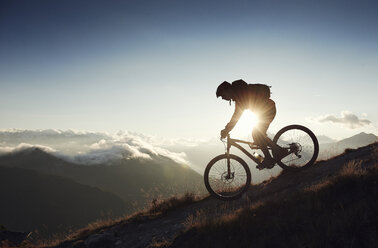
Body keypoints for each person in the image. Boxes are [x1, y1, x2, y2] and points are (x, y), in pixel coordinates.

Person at [216, 79, 284, 169]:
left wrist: (226, 130)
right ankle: (276, 150)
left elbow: (236, 117)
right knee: (258, 136)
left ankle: (270, 157)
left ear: (228, 90)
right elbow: (236, 116)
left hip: (268, 110)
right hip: (266, 110)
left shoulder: (241, 95)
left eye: (223, 95)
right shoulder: (239, 96)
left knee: (256, 134)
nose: (223, 98)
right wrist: (227, 129)